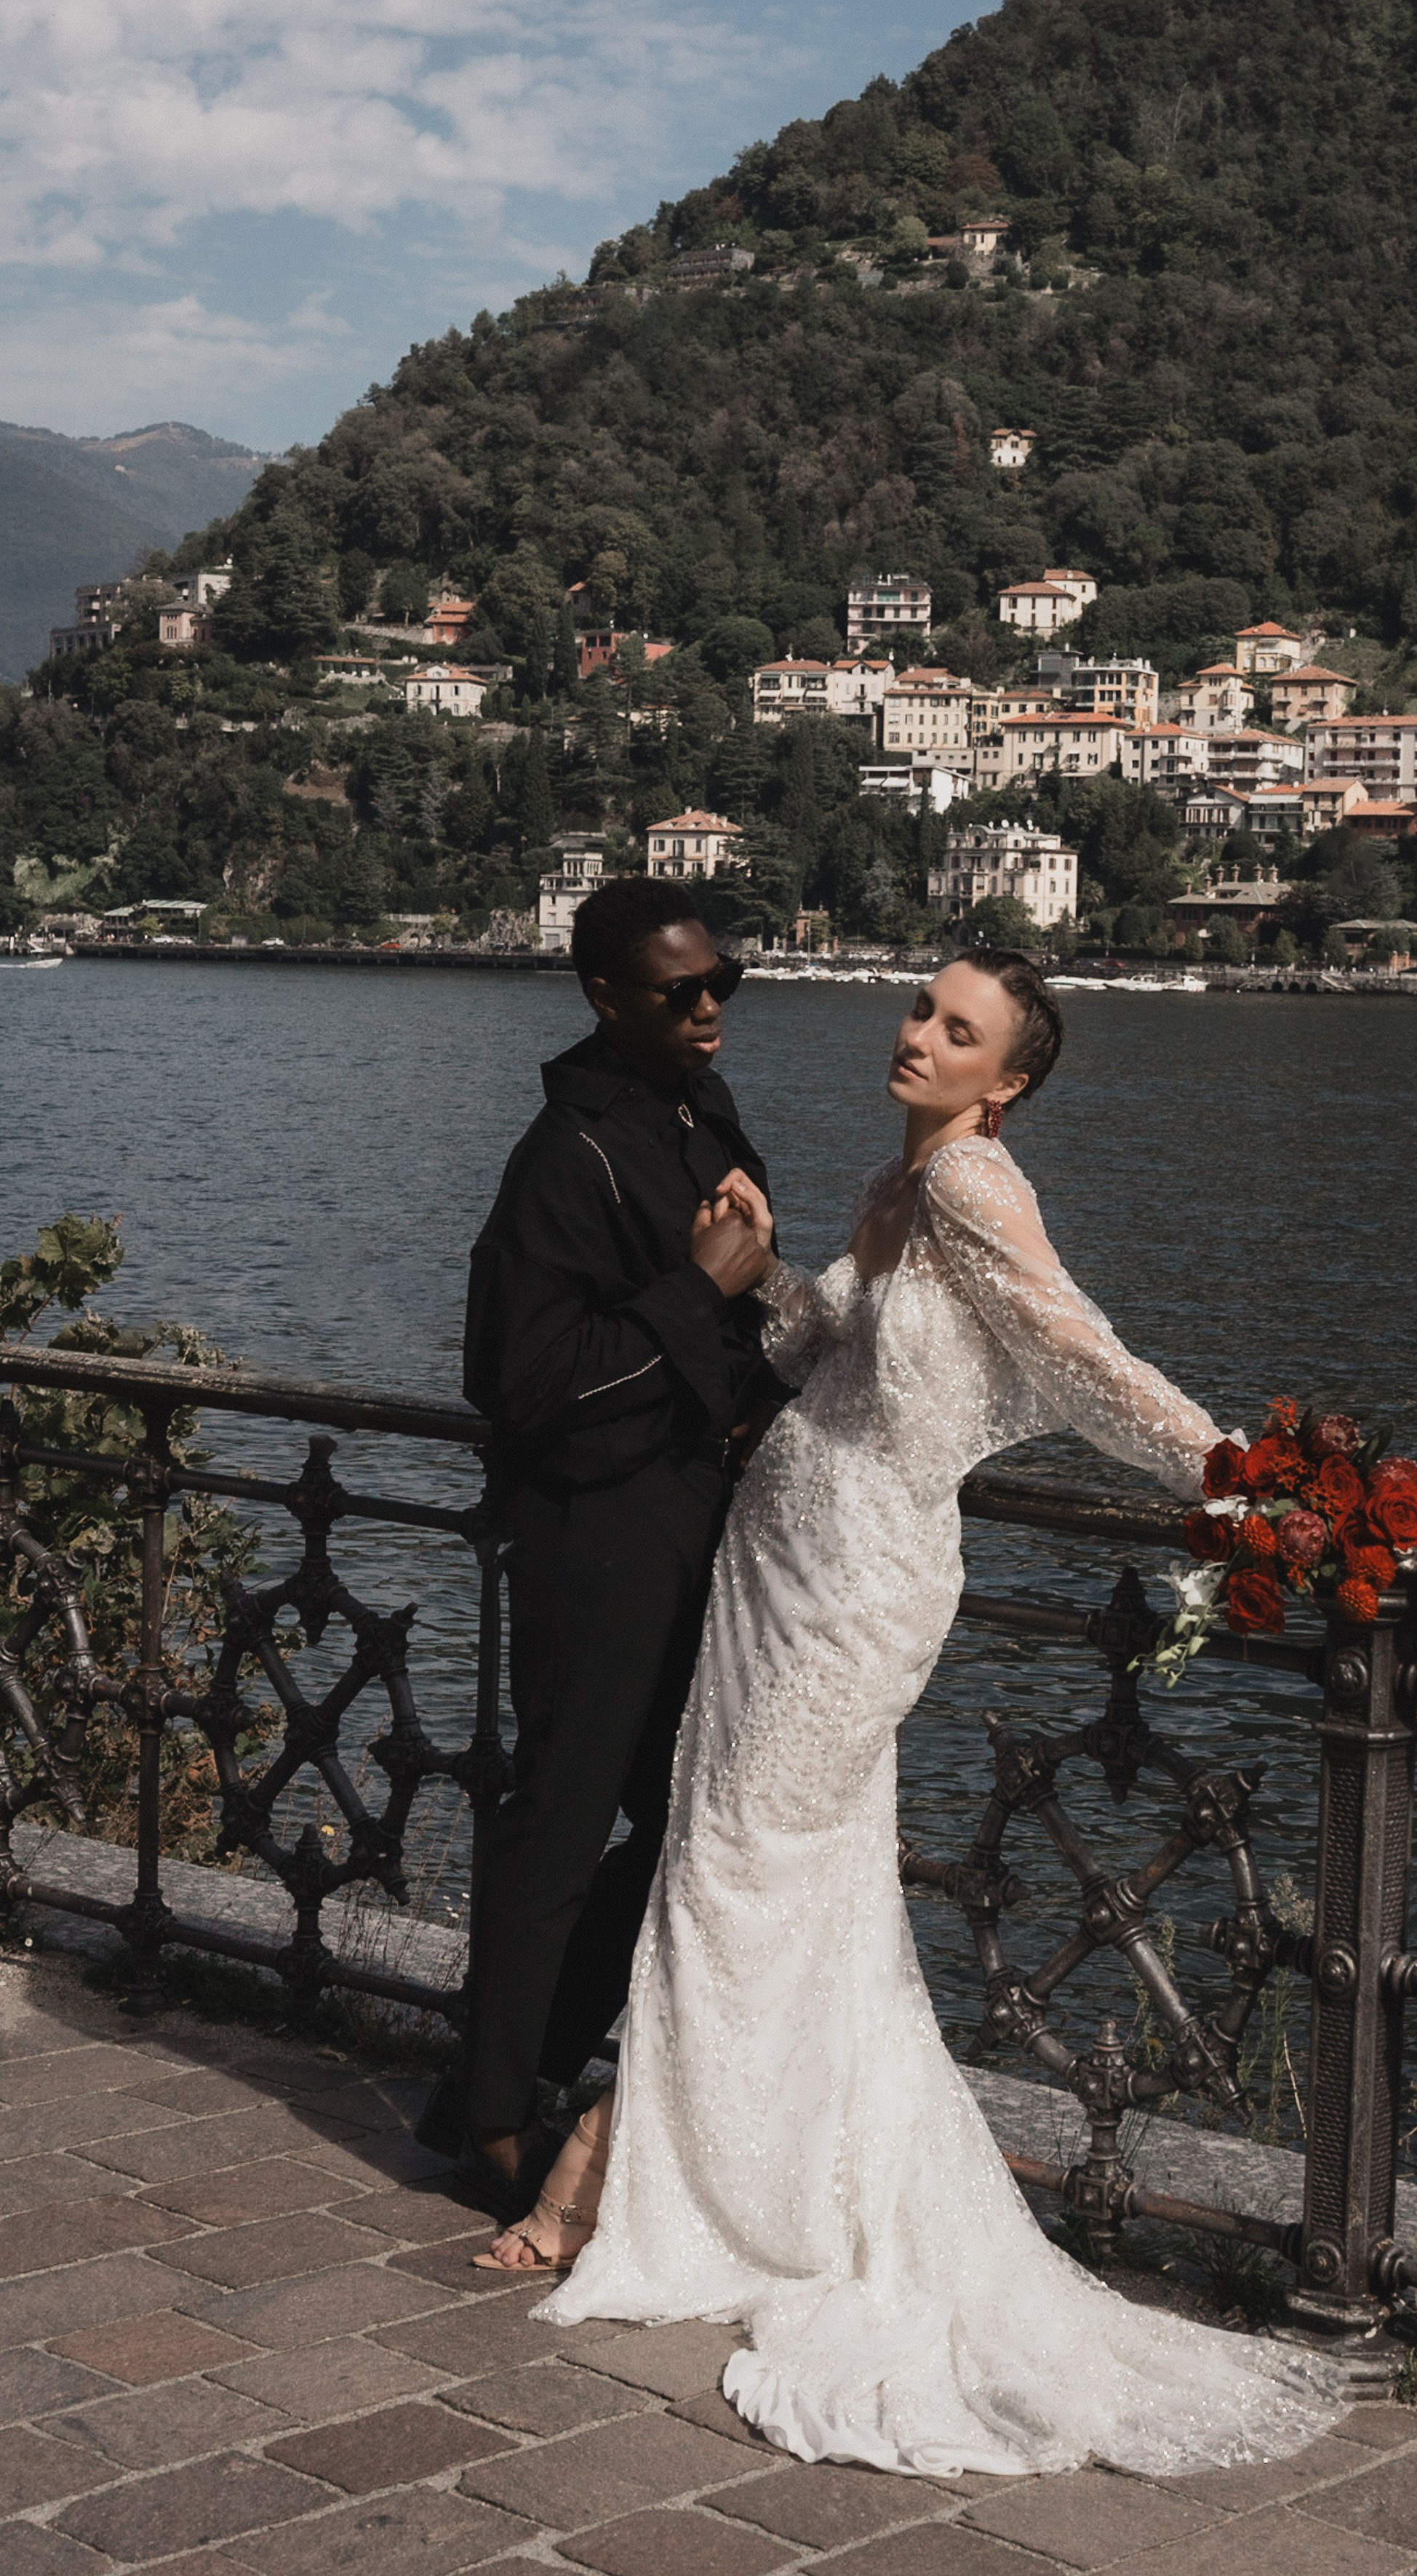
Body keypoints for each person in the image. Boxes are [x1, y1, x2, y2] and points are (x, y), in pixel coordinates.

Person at [482, 951, 1342, 2479]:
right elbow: (818, 1357)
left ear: (1003, 1081)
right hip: (777, 1552)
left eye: (958, 1031)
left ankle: (600, 2177)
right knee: (759, 1868)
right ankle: (733, 2180)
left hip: (860, 1577)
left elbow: (1080, 1356)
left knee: (734, 1857)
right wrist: (768, 1270)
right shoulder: (904, 1183)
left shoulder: (975, 1190)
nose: (917, 1037)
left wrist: (1235, 1477)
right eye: (920, 1011)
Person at [432, 879, 779, 2223]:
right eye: (676, 993)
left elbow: (730, 1319)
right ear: (602, 997)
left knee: (698, 1813)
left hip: (688, 1523)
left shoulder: (698, 1114)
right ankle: (498, 2125)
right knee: (563, 1824)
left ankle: (495, 2081)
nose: (706, 1012)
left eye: (720, 987)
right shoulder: (563, 1156)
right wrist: (700, 1290)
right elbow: (519, 1382)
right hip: (592, 1533)